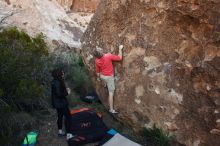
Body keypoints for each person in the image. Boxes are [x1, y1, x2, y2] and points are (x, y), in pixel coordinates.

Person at [94, 45, 124, 114]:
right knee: (111, 93)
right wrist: (120, 49)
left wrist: (99, 78)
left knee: (103, 78)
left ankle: (105, 84)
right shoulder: (108, 56)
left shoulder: (97, 60)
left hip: (102, 76)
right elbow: (119, 58)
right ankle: (111, 109)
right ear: (101, 52)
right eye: (100, 49)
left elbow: (97, 72)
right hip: (109, 77)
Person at [51, 69, 73, 139]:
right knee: (68, 117)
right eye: (62, 73)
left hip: (57, 103)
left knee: (60, 116)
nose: (63, 74)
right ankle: (69, 135)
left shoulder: (54, 81)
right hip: (61, 103)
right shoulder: (58, 82)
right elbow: (59, 93)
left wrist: (65, 89)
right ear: (59, 74)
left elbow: (57, 92)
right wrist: (67, 93)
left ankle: (60, 132)